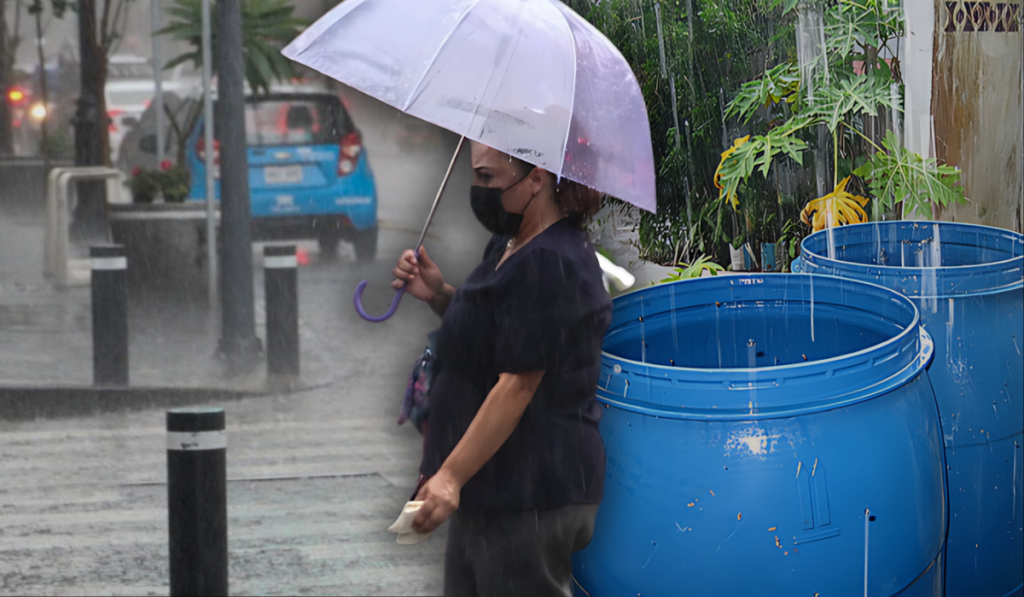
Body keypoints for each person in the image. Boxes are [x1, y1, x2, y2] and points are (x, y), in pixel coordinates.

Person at [391, 140, 612, 596]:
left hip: (531, 493)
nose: (478, 189)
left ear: (537, 178)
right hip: (491, 487)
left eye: (489, 177)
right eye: (476, 174)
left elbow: (517, 384)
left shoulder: (551, 261)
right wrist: (438, 293)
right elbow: (499, 334)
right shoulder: (511, 242)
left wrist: (449, 476)